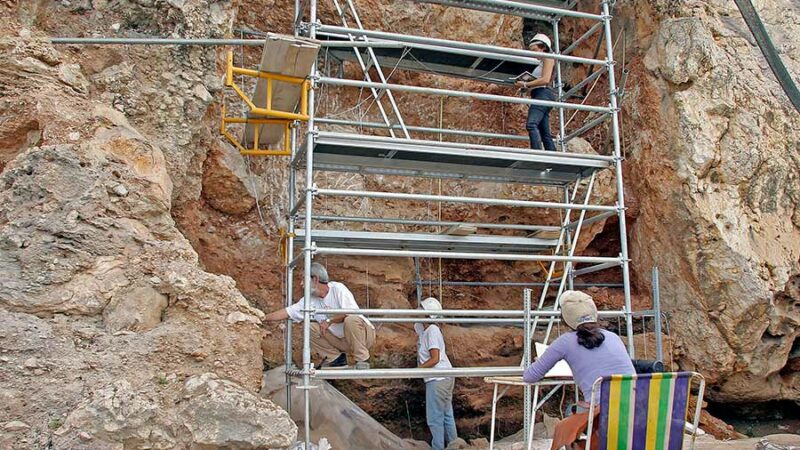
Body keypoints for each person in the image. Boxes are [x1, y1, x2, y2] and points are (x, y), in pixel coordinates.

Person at [522, 290, 634, 414]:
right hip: (635, 406)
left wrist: (540, 363)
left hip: (604, 412)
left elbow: (529, 376)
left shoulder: (564, 342)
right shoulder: (613, 337)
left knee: (570, 413)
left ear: (565, 318)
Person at [264, 262, 375, 369]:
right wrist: (262, 317)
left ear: (315, 279)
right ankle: (336, 360)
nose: (301, 284)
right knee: (310, 327)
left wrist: (329, 321)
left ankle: (362, 360)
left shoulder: (338, 289)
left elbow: (350, 312)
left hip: (363, 337)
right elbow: (287, 312)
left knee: (351, 319)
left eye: (303, 279)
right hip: (341, 341)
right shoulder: (309, 300)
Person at [415, 297, 458, 450]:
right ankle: (455, 444)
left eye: (422, 309)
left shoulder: (432, 330)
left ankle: (438, 447)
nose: (418, 311)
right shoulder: (427, 330)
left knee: (434, 418)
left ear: (429, 314)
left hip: (437, 378)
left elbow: (435, 358)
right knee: (446, 414)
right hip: (444, 377)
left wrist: (417, 371)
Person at [516, 33, 557, 151]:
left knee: (531, 124)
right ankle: (553, 157)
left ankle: (536, 153)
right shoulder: (542, 62)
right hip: (541, 94)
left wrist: (525, 84)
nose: (533, 54)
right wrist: (526, 87)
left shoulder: (548, 57)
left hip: (543, 94)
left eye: (534, 50)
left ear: (543, 47)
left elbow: (545, 79)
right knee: (545, 133)